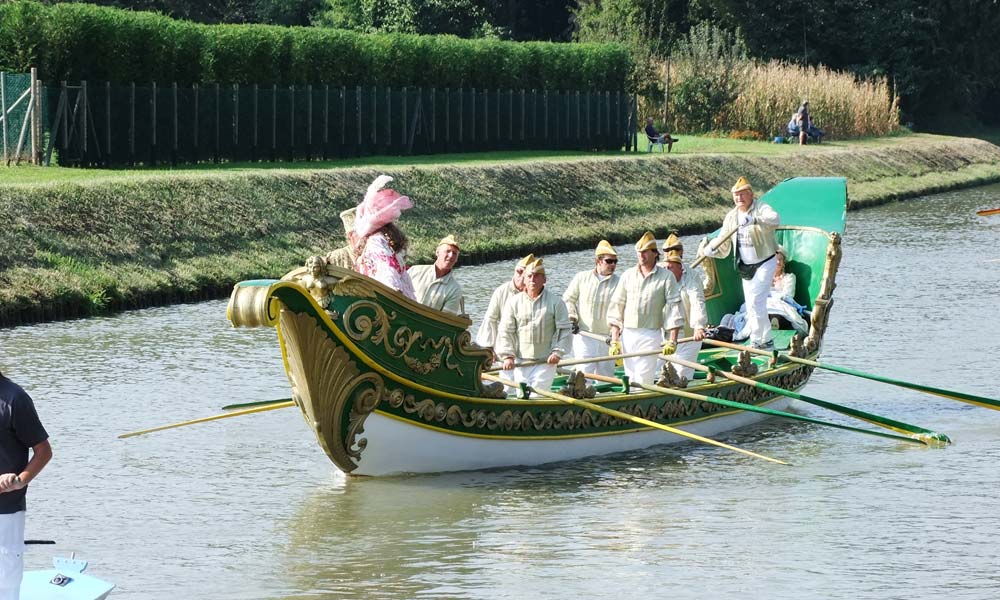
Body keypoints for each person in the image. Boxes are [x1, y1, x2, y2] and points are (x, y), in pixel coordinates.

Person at [699, 176, 781, 350]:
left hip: (765, 262)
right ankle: (766, 339)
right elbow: (724, 238)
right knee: (751, 305)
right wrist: (711, 248)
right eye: (736, 196)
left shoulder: (760, 208)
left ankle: (756, 341)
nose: (739, 199)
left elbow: (774, 219)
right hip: (746, 267)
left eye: (742, 195)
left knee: (756, 302)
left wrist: (756, 220)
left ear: (750, 194)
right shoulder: (732, 216)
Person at [606, 232, 684, 385]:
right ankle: (631, 403)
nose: (641, 255)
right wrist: (615, 339)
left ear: (655, 254)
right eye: (639, 252)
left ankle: (641, 403)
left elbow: (674, 307)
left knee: (643, 377)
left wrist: (672, 340)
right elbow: (617, 306)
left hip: (650, 333)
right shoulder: (628, 275)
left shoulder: (666, 277)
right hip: (628, 333)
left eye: (645, 252)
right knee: (630, 375)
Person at [0, 371, 52, 599]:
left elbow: (43, 452)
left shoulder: (15, 399)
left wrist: (19, 481)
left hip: (5, 513)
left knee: (5, 585)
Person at [496, 258, 572, 397]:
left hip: (545, 362)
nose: (533, 280)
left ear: (544, 279)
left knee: (537, 396)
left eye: (537, 276)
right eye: (529, 276)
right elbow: (506, 331)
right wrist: (507, 356)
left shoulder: (556, 302)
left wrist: (557, 353)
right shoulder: (513, 303)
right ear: (524, 279)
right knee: (522, 395)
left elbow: (565, 331)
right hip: (521, 362)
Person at [352, 175, 417, 300]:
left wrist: (393, 290)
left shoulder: (376, 240)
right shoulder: (381, 240)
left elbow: (386, 267)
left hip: (384, 298)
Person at [562, 240, 621, 377]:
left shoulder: (620, 282)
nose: (613, 265)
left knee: (606, 377)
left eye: (615, 261)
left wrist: (616, 338)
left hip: (607, 338)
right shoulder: (581, 278)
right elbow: (568, 299)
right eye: (609, 261)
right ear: (598, 261)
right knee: (583, 375)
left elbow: (621, 310)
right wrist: (572, 318)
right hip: (584, 336)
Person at [660, 235, 708, 383]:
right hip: (664, 337)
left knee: (681, 377)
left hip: (688, 335)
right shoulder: (659, 275)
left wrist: (699, 327)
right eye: (666, 250)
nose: (669, 253)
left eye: (673, 250)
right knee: (659, 375)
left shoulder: (692, 277)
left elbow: (697, 301)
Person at [475, 253, 534, 351]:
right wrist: (488, 348)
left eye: (527, 274)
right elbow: (490, 320)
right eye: (519, 272)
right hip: (503, 349)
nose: (522, 278)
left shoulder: (538, 294)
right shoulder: (501, 292)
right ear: (514, 272)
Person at [409, 234, 466, 315]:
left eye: (454, 253)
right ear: (437, 252)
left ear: (457, 259)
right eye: (448, 251)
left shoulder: (455, 290)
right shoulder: (414, 271)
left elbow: (445, 320)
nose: (451, 256)